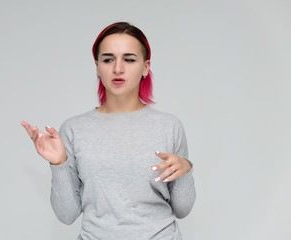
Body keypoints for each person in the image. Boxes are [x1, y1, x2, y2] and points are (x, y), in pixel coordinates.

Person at [21, 22, 196, 240]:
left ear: (146, 67)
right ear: (97, 66)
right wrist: (59, 164)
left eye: (129, 59)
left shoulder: (169, 127)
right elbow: (67, 215)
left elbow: (183, 209)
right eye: (108, 59)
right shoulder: (74, 129)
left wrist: (186, 168)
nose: (118, 68)